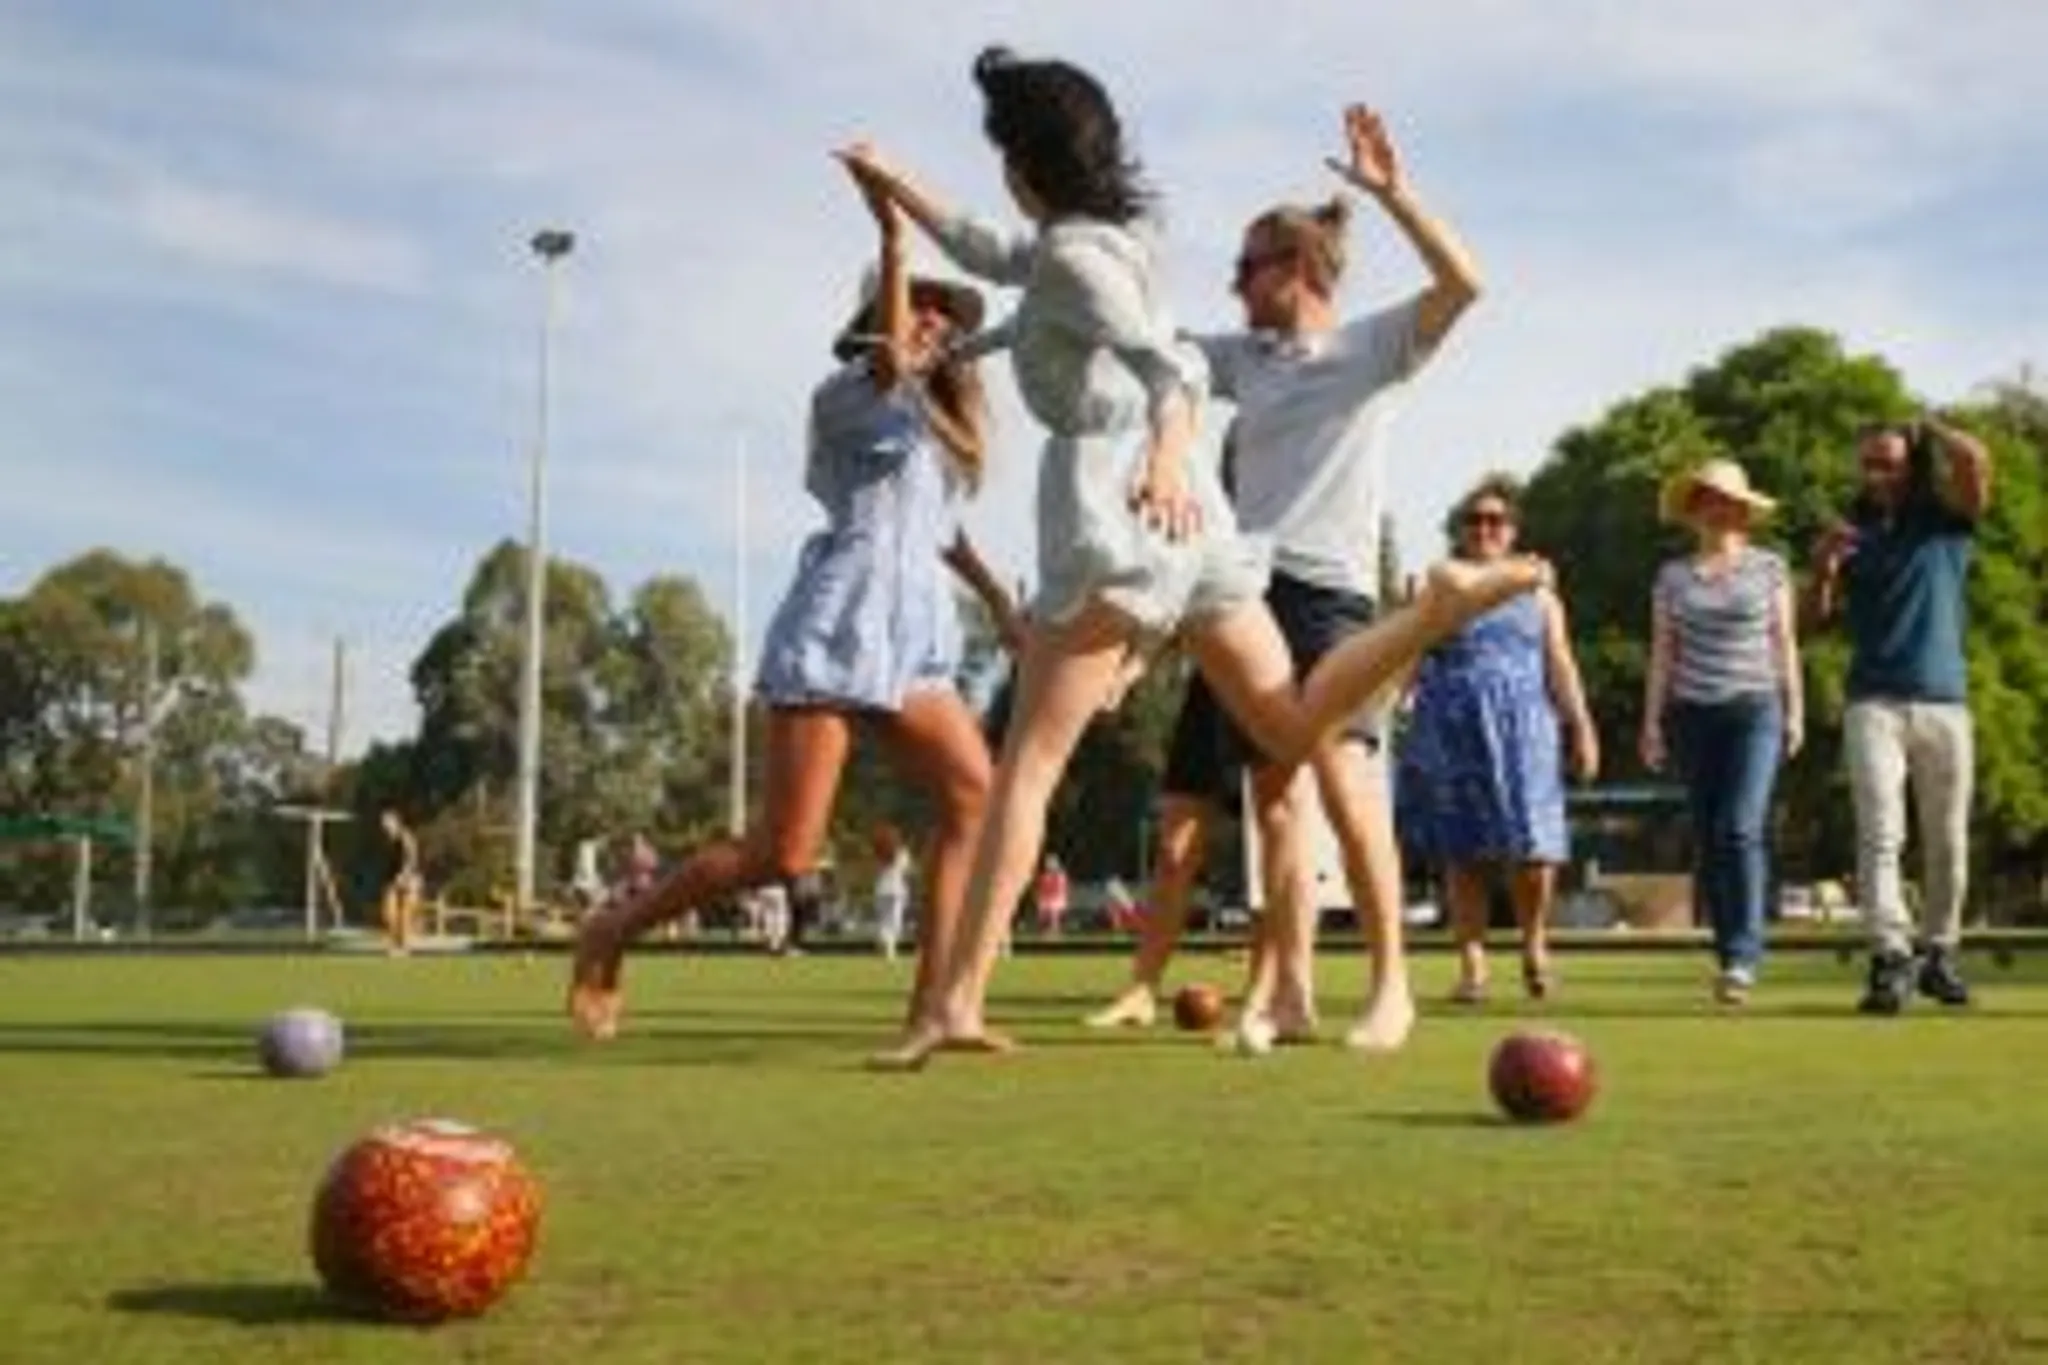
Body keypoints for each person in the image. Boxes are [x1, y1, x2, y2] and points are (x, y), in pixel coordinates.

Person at [841, 47, 1549, 1069]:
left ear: (1028, 162)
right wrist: (894, 195)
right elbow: (999, 257)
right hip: (1210, 536)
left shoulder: (1088, 264)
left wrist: (1170, 450)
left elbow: (1161, 367)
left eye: (1003, 149)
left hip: (1125, 513)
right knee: (1292, 730)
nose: (1235, 280)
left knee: (1027, 768)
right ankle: (1432, 613)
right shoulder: (1109, 248)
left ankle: (955, 1001)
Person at [565, 151, 1021, 1042]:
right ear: (877, 320)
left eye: (943, 308)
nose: (935, 318)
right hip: (839, 625)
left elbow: (943, 533)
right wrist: (893, 238)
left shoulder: (936, 434)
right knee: (783, 853)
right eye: (919, 303)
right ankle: (612, 930)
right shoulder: (849, 396)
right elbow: (890, 367)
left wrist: (1000, 602)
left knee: (979, 799)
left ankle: (938, 1009)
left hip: (915, 640)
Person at [1083, 101, 1486, 1052]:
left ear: (1298, 267)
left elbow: (1464, 283)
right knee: (1275, 803)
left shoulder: (1371, 348)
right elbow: (1154, 352)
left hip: (1334, 598)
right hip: (1249, 592)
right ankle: (1295, 992)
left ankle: (1392, 989)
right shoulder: (1247, 360)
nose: (1233, 283)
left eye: (1247, 266)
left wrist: (1393, 193)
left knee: (1348, 783)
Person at [1811, 416, 1992, 1014]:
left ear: (1912, 464)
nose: (1876, 474)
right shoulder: (1852, 532)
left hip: (1945, 702)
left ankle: (1938, 953)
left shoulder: (1946, 522)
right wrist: (1823, 572)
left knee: (1948, 840)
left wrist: (1930, 425)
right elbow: (1813, 621)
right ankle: (1890, 956)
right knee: (1881, 833)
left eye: (1887, 462)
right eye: (1867, 463)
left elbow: (1974, 461)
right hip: (1873, 702)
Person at [1398, 475, 1598, 1002]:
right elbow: (1407, 658)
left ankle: (1535, 945)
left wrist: (1581, 725)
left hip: (1526, 728)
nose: (1485, 529)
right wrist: (1386, 712)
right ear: (1460, 530)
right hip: (1452, 727)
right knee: (1462, 850)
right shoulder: (1438, 587)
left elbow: (1560, 663)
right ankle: (1472, 964)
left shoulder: (1540, 595)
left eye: (1496, 520)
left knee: (1534, 845)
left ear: (1512, 531)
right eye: (1474, 520)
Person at [1640, 458, 1802, 1004]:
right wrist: (1651, 722)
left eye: (1727, 500)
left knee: (1740, 827)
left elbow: (1784, 642)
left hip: (1755, 709)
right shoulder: (1672, 577)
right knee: (1710, 838)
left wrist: (1795, 711)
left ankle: (1743, 957)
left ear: (1743, 510)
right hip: (1692, 714)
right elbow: (1663, 652)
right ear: (1693, 510)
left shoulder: (1769, 568)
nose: (1717, 508)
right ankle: (1728, 951)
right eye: (1706, 499)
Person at [377, 809, 422, 953]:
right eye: (384, 824)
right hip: (393, 878)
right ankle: (395, 943)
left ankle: (404, 945)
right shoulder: (386, 841)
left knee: (406, 914)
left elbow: (412, 858)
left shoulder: (405, 837)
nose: (385, 826)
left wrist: (404, 875)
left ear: (396, 822)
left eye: (388, 823)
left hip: (410, 878)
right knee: (388, 912)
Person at [872, 825, 913, 960]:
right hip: (897, 889)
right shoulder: (902, 853)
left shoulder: (879, 855)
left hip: (882, 889)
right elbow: (906, 872)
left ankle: (884, 943)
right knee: (895, 920)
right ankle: (889, 947)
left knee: (884, 920)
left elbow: (876, 872)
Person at [1033, 854, 1070, 936]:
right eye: (1048, 863)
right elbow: (1040, 887)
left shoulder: (1060, 876)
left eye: (1051, 864)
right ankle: (1043, 930)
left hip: (1056, 898)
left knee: (1053, 914)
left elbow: (1061, 888)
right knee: (1042, 913)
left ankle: (1054, 930)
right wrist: (1039, 895)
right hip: (1045, 898)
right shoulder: (1044, 876)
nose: (1049, 866)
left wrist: (1054, 895)